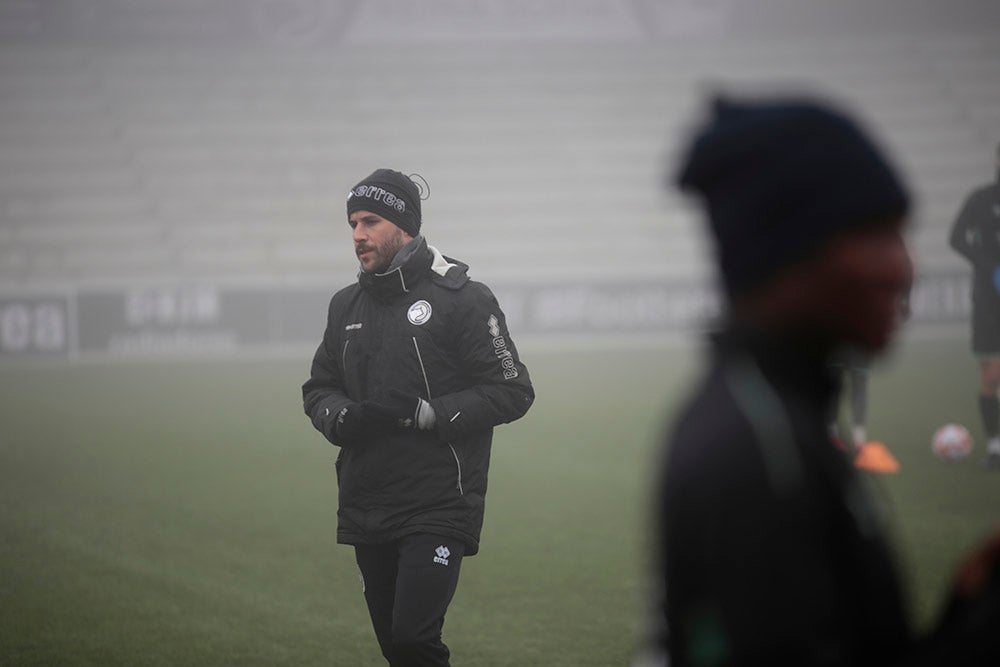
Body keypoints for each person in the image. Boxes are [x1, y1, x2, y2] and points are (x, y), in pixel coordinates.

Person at [643, 97, 1000, 667]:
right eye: (877, 237)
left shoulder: (783, 416)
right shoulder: (757, 450)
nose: (905, 268)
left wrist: (970, 609)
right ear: (785, 255)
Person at [302, 168, 534, 666]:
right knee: (398, 651)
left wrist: (430, 414)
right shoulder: (345, 305)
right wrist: (338, 416)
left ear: (403, 225)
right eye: (352, 224)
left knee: (413, 640)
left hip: (438, 504)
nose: (357, 235)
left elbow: (512, 390)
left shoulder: (463, 299)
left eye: (370, 222)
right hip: (366, 500)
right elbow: (319, 386)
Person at [949, 143, 1000, 466]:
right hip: (988, 301)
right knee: (992, 376)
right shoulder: (981, 199)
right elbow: (955, 238)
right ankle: (995, 447)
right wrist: (987, 267)